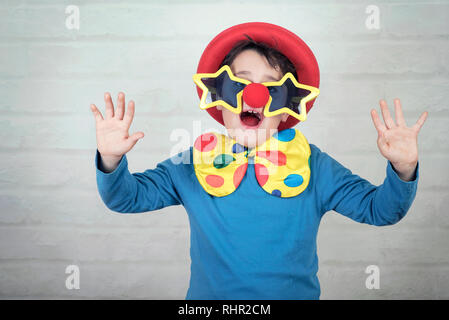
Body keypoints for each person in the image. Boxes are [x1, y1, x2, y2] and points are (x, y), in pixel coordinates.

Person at [90, 22, 428, 299]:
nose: (255, 96)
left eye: (272, 89)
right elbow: (125, 198)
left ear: (288, 109)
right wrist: (110, 158)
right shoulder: (191, 165)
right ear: (218, 99)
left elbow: (380, 210)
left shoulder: (315, 166)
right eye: (240, 84)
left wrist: (403, 168)